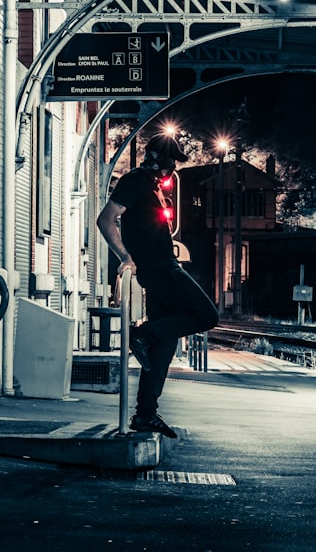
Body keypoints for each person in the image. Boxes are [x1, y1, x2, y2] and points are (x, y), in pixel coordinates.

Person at [96, 133, 220, 438]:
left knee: (165, 345)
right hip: (161, 270)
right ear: (159, 160)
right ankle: (143, 334)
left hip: (160, 268)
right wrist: (126, 257)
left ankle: (145, 414)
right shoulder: (136, 180)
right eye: (171, 162)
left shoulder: (150, 185)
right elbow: (106, 219)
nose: (172, 169)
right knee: (207, 316)